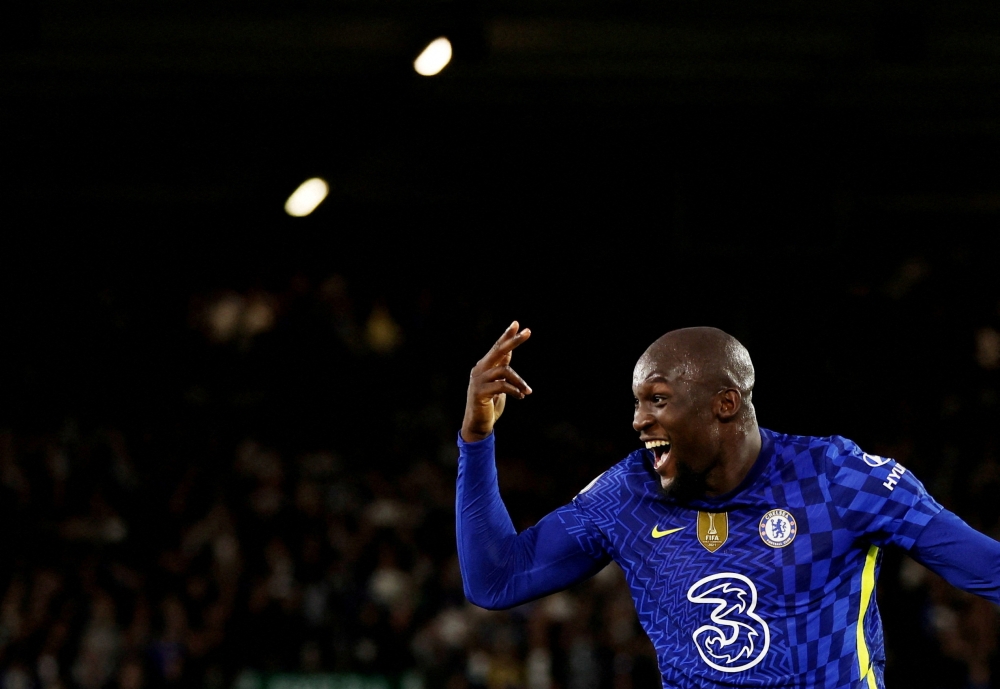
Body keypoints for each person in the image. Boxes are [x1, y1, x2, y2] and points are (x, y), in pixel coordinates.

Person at [455, 322, 1000, 689]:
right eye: (638, 402)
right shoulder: (629, 494)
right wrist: (477, 438)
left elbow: (987, 568)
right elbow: (496, 579)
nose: (639, 420)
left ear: (724, 404)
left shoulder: (838, 478)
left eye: (659, 399)